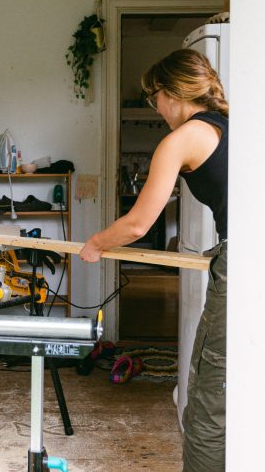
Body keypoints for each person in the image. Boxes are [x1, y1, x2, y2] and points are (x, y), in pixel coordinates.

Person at [80, 49, 227, 471]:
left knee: (205, 400)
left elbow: (138, 224)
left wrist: (96, 244)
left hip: (243, 262)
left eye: (154, 98)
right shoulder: (230, 125)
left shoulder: (180, 139)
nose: (157, 108)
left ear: (172, 93)